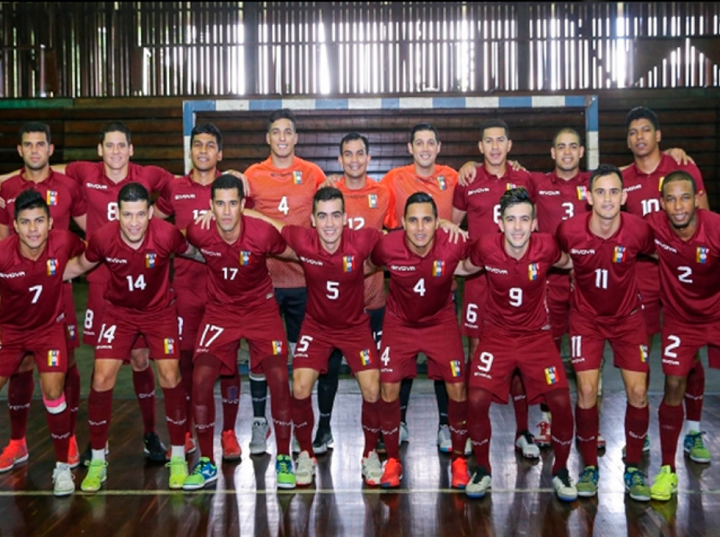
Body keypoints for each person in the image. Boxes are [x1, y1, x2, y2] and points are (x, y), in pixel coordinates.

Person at [63, 182, 194, 492]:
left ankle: (177, 456)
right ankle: (97, 460)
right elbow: (80, 265)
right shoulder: (103, 238)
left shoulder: (166, 234)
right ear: (117, 215)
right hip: (119, 313)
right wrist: (39, 274)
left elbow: (196, 252)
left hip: (159, 312)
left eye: (140, 214)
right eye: (127, 215)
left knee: (170, 373)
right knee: (102, 377)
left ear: (150, 213)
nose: (134, 222)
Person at [250, 186, 384, 485]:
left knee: (373, 389)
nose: (329, 224)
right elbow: (270, 224)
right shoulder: (303, 239)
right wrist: (236, 209)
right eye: (322, 216)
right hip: (317, 327)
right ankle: (306, 454)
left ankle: (370, 454)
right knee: (299, 386)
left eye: (336, 216)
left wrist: (443, 225)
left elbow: (403, 242)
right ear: (312, 220)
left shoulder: (363, 239)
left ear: (346, 218)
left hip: (354, 328)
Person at [456, 187, 577, 501]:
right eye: (511, 219)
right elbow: (461, 268)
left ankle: (561, 471)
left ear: (535, 223)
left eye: (525, 219)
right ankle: (482, 470)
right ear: (501, 222)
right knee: (477, 400)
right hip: (496, 337)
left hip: (537, 337)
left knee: (562, 403)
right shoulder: (485, 248)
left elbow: (572, 262)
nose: (518, 226)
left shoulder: (547, 247)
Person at [181, 174, 295, 490]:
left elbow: (293, 253)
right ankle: (206, 462)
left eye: (233, 203)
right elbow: (181, 244)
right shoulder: (199, 231)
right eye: (220, 204)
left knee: (279, 378)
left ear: (243, 205)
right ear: (211, 206)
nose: (227, 211)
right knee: (201, 378)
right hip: (221, 311)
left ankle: (284, 457)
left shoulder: (262, 234)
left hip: (261, 309)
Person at [556, 164, 654, 501]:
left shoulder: (639, 230)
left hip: (628, 318)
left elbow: (665, 253)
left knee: (638, 393)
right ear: (588, 196)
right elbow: (551, 258)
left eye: (614, 192)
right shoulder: (569, 230)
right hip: (586, 319)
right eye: (600, 191)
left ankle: (633, 468)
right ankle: (588, 467)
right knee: (586, 390)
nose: (608, 198)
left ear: (624, 196)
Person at [622, 106, 711, 461]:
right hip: (640, 280)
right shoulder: (623, 179)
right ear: (628, 140)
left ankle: (693, 431)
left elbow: (702, 222)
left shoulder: (683, 168)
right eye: (633, 132)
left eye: (646, 130)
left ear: (658, 135)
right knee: (638, 356)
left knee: (690, 357)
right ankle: (640, 429)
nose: (639, 136)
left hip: (681, 279)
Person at [0, 122, 87, 472]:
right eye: (28, 145)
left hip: (58, 287)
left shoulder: (68, 185)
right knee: (19, 364)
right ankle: (18, 442)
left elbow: (89, 232)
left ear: (51, 149)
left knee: (66, 364)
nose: (35, 150)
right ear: (19, 150)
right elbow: (5, 240)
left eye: (41, 144)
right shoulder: (7, 188)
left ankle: (67, 437)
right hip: (21, 289)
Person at [368, 192, 470, 489]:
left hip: (441, 322)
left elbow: (479, 259)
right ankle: (392, 461)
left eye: (427, 220)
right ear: (402, 223)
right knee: (388, 388)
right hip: (399, 324)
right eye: (413, 220)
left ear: (439, 222)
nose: (420, 227)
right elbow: (370, 264)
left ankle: (460, 460)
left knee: (458, 387)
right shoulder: (387, 246)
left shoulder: (454, 242)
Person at [451, 118, 539, 459]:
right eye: (488, 141)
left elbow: (536, 228)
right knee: (477, 353)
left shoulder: (524, 179)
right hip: (477, 280)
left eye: (500, 140)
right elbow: (452, 223)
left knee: (518, 354)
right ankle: (477, 430)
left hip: (516, 279)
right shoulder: (469, 180)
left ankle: (522, 430)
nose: (495, 147)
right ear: (480, 147)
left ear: (509, 145)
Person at [154, 123, 242, 460]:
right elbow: (154, 224)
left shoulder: (230, 187)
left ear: (220, 153)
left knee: (229, 363)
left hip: (227, 292)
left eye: (210, 146)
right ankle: (188, 431)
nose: (203, 151)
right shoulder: (175, 188)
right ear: (190, 152)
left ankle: (229, 433)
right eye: (197, 145)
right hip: (187, 291)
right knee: (186, 363)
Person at [242, 109, 326, 456]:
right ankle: (260, 423)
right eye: (275, 131)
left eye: (287, 132)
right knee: (262, 356)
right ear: (268, 138)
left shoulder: (313, 174)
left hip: (303, 282)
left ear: (295, 137)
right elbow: (238, 214)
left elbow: (331, 213)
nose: (281, 137)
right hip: (262, 281)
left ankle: (296, 424)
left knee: (300, 357)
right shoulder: (252, 175)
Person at [312, 133, 396, 455]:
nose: (355, 159)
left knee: (371, 378)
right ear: (340, 160)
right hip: (332, 307)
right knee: (328, 371)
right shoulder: (329, 193)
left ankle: (372, 441)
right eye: (348, 154)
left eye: (360, 153)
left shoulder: (382, 194)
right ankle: (323, 428)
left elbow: (392, 237)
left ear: (369, 158)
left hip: (373, 302)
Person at [380, 123, 458, 452]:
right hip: (405, 282)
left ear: (439, 147)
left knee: (447, 370)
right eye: (419, 143)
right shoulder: (393, 179)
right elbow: (374, 205)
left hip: (441, 281)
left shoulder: (454, 177)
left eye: (431, 142)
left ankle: (446, 426)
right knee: (401, 366)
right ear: (410, 148)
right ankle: (397, 421)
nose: (425, 148)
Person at [644, 171, 720, 501]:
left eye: (685, 198)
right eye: (671, 199)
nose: (678, 206)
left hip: (717, 313)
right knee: (674, 382)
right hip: (679, 319)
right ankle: (667, 470)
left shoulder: (715, 227)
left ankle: (695, 433)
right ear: (662, 203)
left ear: (697, 199)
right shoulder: (653, 226)